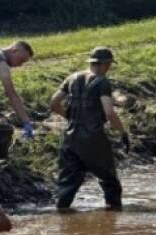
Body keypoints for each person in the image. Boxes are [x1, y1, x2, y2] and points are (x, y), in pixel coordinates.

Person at [49, 47, 130, 211]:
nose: (109, 68)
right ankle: (113, 212)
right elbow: (109, 112)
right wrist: (123, 132)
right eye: (109, 65)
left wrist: (70, 118)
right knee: (109, 180)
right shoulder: (102, 82)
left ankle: (62, 212)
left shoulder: (72, 78)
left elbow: (54, 103)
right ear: (104, 64)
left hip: (70, 137)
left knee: (68, 181)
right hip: (93, 138)